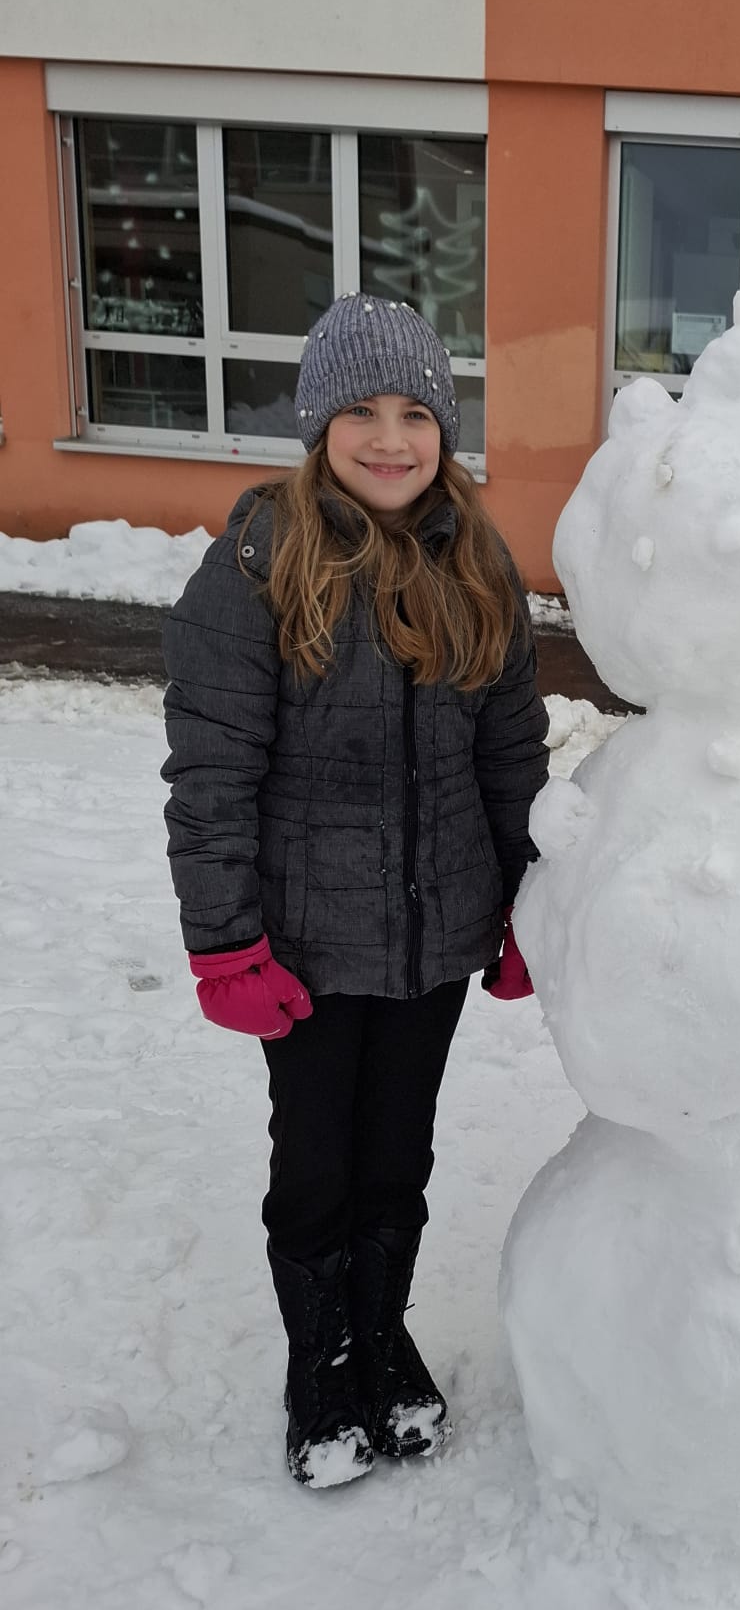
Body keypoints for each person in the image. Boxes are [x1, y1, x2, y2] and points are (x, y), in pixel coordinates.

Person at [162, 294, 548, 1490]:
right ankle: (320, 1363)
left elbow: (511, 755)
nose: (391, 439)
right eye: (362, 413)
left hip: (436, 936)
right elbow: (212, 775)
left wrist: (528, 900)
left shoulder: (478, 564)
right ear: (319, 425)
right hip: (307, 947)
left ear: (444, 429)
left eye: (415, 414)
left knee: (397, 1158)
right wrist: (225, 944)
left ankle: (382, 1340)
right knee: (316, 1164)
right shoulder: (257, 565)